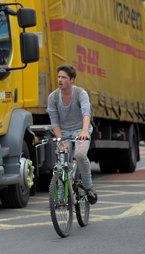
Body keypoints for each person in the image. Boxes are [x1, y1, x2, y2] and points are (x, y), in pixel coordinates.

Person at [46, 64, 98, 204]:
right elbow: (54, 121)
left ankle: (88, 187)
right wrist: (60, 139)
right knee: (61, 163)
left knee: (80, 155)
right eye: (58, 77)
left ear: (72, 79)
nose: (60, 80)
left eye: (64, 77)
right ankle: (62, 198)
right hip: (63, 133)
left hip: (81, 130)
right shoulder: (53, 97)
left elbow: (86, 114)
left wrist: (84, 131)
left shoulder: (80, 93)